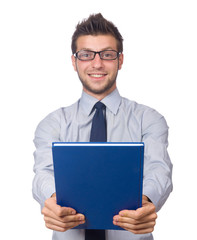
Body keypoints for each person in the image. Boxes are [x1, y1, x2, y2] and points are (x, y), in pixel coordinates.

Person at [32, 13, 172, 240]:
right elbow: (44, 173)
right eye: (86, 55)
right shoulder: (52, 124)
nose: (97, 63)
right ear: (74, 61)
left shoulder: (149, 119)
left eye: (107, 55)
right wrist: (53, 200)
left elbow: (158, 170)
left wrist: (146, 202)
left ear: (120, 60)